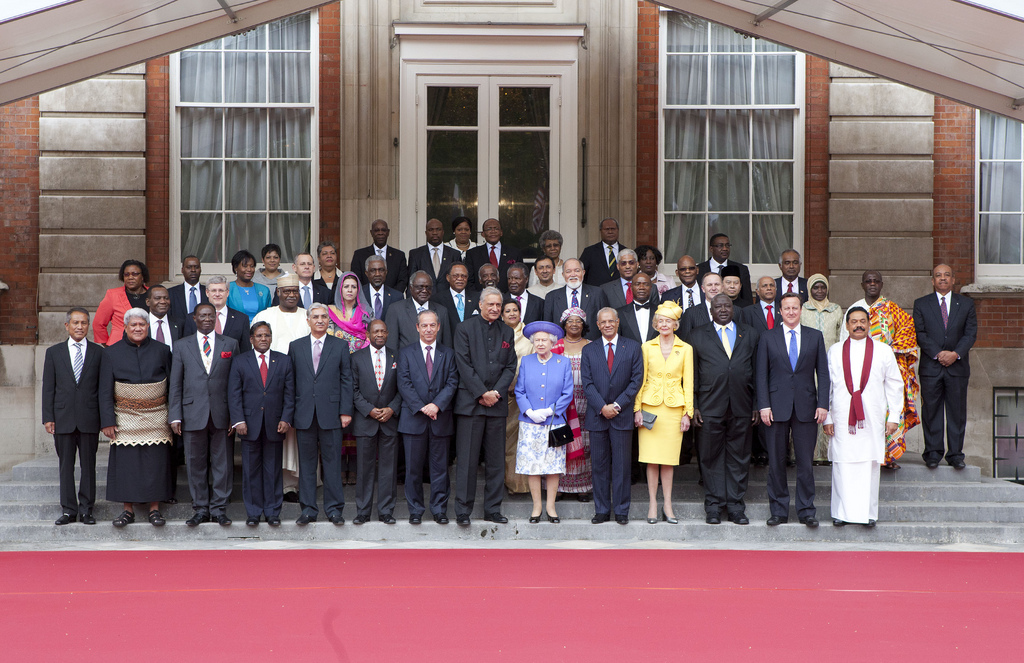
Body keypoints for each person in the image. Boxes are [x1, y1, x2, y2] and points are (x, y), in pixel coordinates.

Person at [824, 307, 905, 527]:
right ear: (847, 325)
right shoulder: (834, 350)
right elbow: (827, 387)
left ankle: (868, 514)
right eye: (853, 321)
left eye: (862, 321)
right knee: (843, 464)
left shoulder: (883, 351)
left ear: (869, 324)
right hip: (842, 418)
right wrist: (827, 417)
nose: (858, 325)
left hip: (873, 417)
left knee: (869, 466)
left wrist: (894, 416)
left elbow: (895, 384)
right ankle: (841, 513)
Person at [756, 292, 830, 527]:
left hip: (807, 407)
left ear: (801, 310)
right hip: (776, 408)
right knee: (777, 461)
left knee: (805, 463)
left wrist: (823, 404)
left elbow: (824, 373)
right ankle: (778, 511)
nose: (790, 312)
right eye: (786, 308)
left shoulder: (814, 336)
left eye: (795, 308)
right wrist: (763, 405)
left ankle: (806, 510)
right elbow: (761, 375)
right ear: (780, 311)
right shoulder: (768, 337)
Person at [688, 295, 759, 525]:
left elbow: (757, 371)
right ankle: (714, 507)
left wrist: (757, 404)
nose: (723, 310)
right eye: (717, 306)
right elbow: (692, 374)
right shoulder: (697, 335)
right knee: (710, 458)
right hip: (709, 406)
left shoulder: (749, 334)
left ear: (733, 309)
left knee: (739, 458)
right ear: (711, 310)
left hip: (742, 405)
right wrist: (695, 405)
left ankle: (736, 507)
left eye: (727, 306)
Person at [99, 308, 174, 527]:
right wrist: (107, 420)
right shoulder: (111, 352)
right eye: (134, 325)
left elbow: (173, 385)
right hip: (124, 416)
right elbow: (104, 390)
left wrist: (174, 416)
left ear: (148, 327)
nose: (138, 328)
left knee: (155, 462)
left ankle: (154, 509)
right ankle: (127, 510)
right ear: (125, 327)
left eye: (142, 324)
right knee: (127, 464)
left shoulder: (162, 350)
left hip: (157, 416)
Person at [840, 270, 920, 469]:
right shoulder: (854, 309)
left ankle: (887, 456)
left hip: (885, 368)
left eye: (876, 281)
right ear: (862, 285)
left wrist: (890, 352)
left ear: (882, 285)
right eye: (868, 281)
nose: (872, 284)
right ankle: (866, 455)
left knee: (887, 411)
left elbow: (908, 331)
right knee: (865, 411)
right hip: (859, 372)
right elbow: (844, 340)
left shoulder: (891, 309)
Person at [452, 287, 518, 526]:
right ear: (480, 305)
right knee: (467, 461)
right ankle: (463, 510)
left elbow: (510, 366)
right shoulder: (464, 328)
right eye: (490, 305)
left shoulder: (506, 332)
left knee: (495, 460)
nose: (495, 309)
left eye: (498, 305)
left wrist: (495, 393)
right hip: (471, 404)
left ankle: (492, 509)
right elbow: (463, 363)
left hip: (497, 405)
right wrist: (482, 392)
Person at [169, 303, 239, 526]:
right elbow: (176, 383)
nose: (207, 319)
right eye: (203, 316)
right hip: (192, 413)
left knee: (223, 464)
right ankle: (200, 508)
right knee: (195, 463)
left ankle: (219, 509)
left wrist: (235, 416)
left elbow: (236, 383)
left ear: (216, 317)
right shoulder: (181, 346)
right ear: (194, 318)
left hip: (222, 413)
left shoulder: (231, 344)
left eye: (211, 315)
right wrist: (175, 415)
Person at [288, 303, 353, 525]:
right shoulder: (296, 347)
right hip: (304, 414)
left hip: (332, 414)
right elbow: (291, 383)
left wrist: (345, 411)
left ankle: (334, 510)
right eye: (315, 317)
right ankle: (308, 510)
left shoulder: (340, 346)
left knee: (332, 463)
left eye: (324, 317)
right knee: (306, 464)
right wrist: (290, 414)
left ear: (329, 321)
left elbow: (347, 380)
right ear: (308, 320)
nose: (320, 320)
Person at [228, 320, 294, 527]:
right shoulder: (240, 361)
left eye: (267, 335)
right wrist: (238, 420)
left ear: (271, 338)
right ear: (251, 339)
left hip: (275, 425)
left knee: (273, 471)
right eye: (259, 336)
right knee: (251, 471)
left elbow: (290, 394)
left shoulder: (283, 361)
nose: (263, 339)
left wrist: (286, 418)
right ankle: (254, 513)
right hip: (248, 425)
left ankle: (273, 512)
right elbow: (234, 394)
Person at [253, 274, 313, 502]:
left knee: (300, 436)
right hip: (272, 389)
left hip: (304, 387)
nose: (291, 295)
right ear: (277, 293)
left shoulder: (307, 316)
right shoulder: (265, 316)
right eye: (286, 291)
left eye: (294, 291)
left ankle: (299, 484)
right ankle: (277, 483)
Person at [42, 308, 105, 525]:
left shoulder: (99, 352)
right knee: (65, 466)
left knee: (89, 466)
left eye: (84, 323)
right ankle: (69, 510)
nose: (80, 327)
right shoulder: (54, 352)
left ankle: (87, 509)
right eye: (76, 322)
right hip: (63, 418)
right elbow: (48, 388)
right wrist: (48, 417)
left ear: (89, 326)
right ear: (67, 325)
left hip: (89, 418)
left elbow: (103, 389)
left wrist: (105, 420)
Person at [581, 307, 644, 525]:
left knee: (622, 466)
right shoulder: (589, 350)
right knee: (598, 466)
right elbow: (586, 384)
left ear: (618, 323)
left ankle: (621, 510)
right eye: (603, 322)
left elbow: (637, 381)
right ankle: (601, 510)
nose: (607, 325)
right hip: (598, 416)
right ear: (597, 325)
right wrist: (602, 407)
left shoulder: (633, 347)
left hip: (622, 416)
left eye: (611, 321)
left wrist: (616, 406)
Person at [397, 310, 460, 524]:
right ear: (417, 328)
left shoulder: (448, 353)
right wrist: (422, 407)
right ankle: (415, 510)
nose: (428, 329)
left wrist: (436, 405)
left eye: (432, 325)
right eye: (424, 325)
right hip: (414, 419)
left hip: (440, 419)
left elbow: (452, 382)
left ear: (439, 327)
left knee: (440, 469)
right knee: (413, 469)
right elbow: (403, 383)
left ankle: (439, 509)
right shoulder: (405, 353)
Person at [913, 264, 977, 469]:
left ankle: (956, 454)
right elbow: (920, 333)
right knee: (931, 411)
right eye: (938, 276)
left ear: (953, 279)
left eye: (946, 275)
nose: (942, 279)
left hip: (957, 367)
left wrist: (955, 354)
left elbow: (970, 334)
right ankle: (932, 453)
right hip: (931, 367)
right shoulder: (921, 304)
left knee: (957, 412)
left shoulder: (966, 304)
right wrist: (938, 353)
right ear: (932, 281)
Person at [633, 301, 693, 525]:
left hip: (674, 410)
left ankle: (667, 504)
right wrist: (637, 409)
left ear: (676, 324)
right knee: (651, 460)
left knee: (668, 460)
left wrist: (688, 412)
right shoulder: (646, 347)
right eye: (661, 321)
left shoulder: (685, 348)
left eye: (669, 321)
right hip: (650, 407)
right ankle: (652, 504)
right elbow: (640, 379)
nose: (664, 324)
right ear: (656, 324)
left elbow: (688, 382)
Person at [514, 320, 575, 523]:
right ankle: (536, 507)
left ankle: (550, 507)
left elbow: (568, 392)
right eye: (537, 340)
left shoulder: (563, 362)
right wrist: (530, 411)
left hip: (554, 422)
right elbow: (519, 390)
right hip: (530, 422)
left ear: (552, 342)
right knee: (532, 466)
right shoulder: (527, 361)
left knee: (552, 466)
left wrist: (550, 410)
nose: (540, 343)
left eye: (544, 340)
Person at [350, 320, 402, 524]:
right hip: (365, 421)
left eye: (383, 331)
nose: (379, 334)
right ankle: (362, 512)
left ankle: (386, 511)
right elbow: (352, 389)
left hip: (390, 420)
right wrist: (369, 410)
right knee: (364, 469)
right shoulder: (356, 358)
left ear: (387, 333)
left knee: (388, 469)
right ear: (368, 334)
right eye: (375, 331)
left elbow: (403, 387)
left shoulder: (397, 356)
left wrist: (392, 409)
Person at [800, 273, 844, 465]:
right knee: (807, 407)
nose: (819, 291)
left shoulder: (836, 310)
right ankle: (804, 453)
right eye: (815, 287)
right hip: (806, 366)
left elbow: (841, 337)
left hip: (830, 364)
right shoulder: (802, 309)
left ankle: (825, 453)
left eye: (823, 287)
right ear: (809, 289)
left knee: (828, 405)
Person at [551, 308, 593, 501]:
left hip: (588, 400)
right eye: (570, 321)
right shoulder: (555, 346)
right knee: (561, 441)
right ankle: (558, 486)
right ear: (563, 324)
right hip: (561, 404)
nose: (574, 324)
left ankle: (583, 487)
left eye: (578, 321)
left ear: (584, 325)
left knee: (585, 443)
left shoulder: (592, 346)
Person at [502, 299, 534, 495]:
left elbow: (532, 362)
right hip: (501, 394)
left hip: (524, 394)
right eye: (508, 311)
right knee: (505, 441)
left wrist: (518, 384)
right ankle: (508, 482)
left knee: (523, 440)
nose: (512, 313)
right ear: (502, 315)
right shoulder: (497, 333)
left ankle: (522, 485)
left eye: (515, 310)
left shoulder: (529, 335)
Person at [385, 270, 453, 351]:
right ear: (411, 288)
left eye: (428, 287)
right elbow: (391, 345)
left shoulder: (442, 311)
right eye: (420, 287)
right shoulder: (395, 309)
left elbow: (447, 347)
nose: (424, 290)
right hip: (406, 362)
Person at [543, 258, 607, 341]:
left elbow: (605, 322)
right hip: (560, 348)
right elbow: (548, 328)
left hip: (592, 346)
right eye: (568, 271)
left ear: (583, 272)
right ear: (563, 275)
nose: (573, 275)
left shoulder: (597, 293)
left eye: (577, 271)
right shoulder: (552, 297)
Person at [93, 259, 149, 345]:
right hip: (119, 345)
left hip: (148, 345)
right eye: (126, 274)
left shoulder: (153, 294)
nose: (130, 277)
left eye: (134, 274)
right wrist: (108, 347)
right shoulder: (113, 295)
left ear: (143, 276)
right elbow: (98, 324)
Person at [190, 275, 251, 353]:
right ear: (207, 293)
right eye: (214, 291)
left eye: (221, 290)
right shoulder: (193, 318)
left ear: (227, 292)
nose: (217, 294)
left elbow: (245, 352)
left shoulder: (241, 319)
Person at [464, 217, 523, 291]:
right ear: (483, 234)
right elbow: (469, 281)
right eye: (489, 229)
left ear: (501, 232)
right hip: (481, 298)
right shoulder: (472, 254)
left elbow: (521, 278)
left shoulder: (514, 253)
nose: (493, 231)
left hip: (508, 298)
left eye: (496, 228)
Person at [350, 219, 409, 292]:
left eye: (383, 230)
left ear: (388, 232)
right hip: (366, 300)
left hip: (393, 300)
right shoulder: (359, 255)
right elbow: (356, 279)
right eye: (376, 230)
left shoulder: (399, 256)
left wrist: (392, 297)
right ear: (371, 233)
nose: (380, 233)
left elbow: (402, 280)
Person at [696, 233, 752, 305]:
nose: (725, 248)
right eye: (720, 246)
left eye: (727, 245)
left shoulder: (741, 269)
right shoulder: (699, 269)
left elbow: (747, 299)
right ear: (711, 249)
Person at [408, 218, 461, 286]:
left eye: (438, 229)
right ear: (426, 233)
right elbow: (411, 281)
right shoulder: (416, 254)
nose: (435, 233)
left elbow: (458, 281)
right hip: (424, 295)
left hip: (447, 296)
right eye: (431, 230)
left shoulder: (454, 254)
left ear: (443, 232)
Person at [328, 272, 371, 352]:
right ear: (340, 289)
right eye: (346, 286)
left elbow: (372, 334)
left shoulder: (366, 312)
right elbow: (328, 339)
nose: (350, 290)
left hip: (361, 358)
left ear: (358, 290)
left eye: (354, 287)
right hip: (337, 357)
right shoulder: (331, 312)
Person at [227, 249, 272, 324]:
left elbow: (268, 316)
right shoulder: (227, 288)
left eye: (252, 266)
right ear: (235, 268)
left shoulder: (264, 290)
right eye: (245, 266)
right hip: (236, 332)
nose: (249, 269)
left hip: (258, 332)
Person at [580, 217, 627, 287]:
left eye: (613, 229)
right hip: (596, 295)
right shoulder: (589, 252)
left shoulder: (626, 252)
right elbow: (581, 274)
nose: (610, 232)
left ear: (618, 230)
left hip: (620, 294)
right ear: (600, 231)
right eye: (607, 229)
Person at [678, 272, 723, 340]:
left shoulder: (736, 311)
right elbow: (686, 341)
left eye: (717, 284)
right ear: (703, 288)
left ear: (722, 287)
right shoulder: (691, 313)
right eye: (709, 285)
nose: (713, 288)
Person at [432, 262, 478, 327]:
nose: (460, 279)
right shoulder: (437, 299)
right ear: (448, 277)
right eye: (456, 276)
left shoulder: (477, 298)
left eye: (464, 276)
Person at [616, 273, 659, 344]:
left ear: (651, 288)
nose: (641, 287)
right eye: (637, 284)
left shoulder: (661, 312)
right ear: (631, 288)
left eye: (645, 284)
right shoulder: (619, 313)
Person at [168, 255, 207, 328]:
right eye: (189, 267)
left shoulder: (208, 292)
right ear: (182, 270)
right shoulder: (171, 293)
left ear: (200, 270)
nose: (193, 270)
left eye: (196, 267)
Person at [362, 255, 403, 321]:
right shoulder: (359, 294)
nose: (377, 274)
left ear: (386, 272)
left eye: (381, 270)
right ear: (367, 273)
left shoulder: (397, 296)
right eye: (373, 270)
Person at [147, 285, 181, 351]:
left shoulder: (179, 324)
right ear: (148, 302)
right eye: (157, 298)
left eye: (166, 298)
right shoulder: (140, 325)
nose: (163, 301)